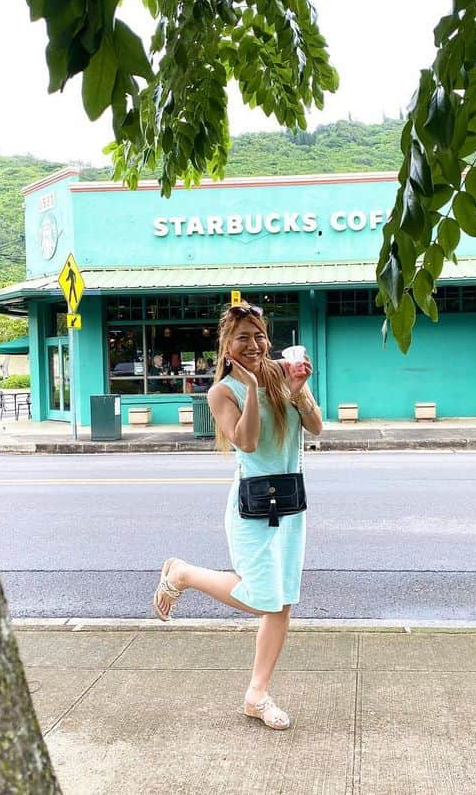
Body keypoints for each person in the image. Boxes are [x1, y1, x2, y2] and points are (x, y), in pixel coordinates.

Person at [151, 303, 323, 730]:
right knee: (259, 596)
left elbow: (316, 427)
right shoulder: (223, 391)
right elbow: (246, 442)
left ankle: (257, 695)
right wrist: (248, 384)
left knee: (281, 603)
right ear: (227, 347)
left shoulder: (286, 373)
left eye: (259, 335)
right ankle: (184, 573)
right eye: (243, 338)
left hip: (290, 504)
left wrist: (299, 388)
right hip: (252, 507)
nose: (254, 344)